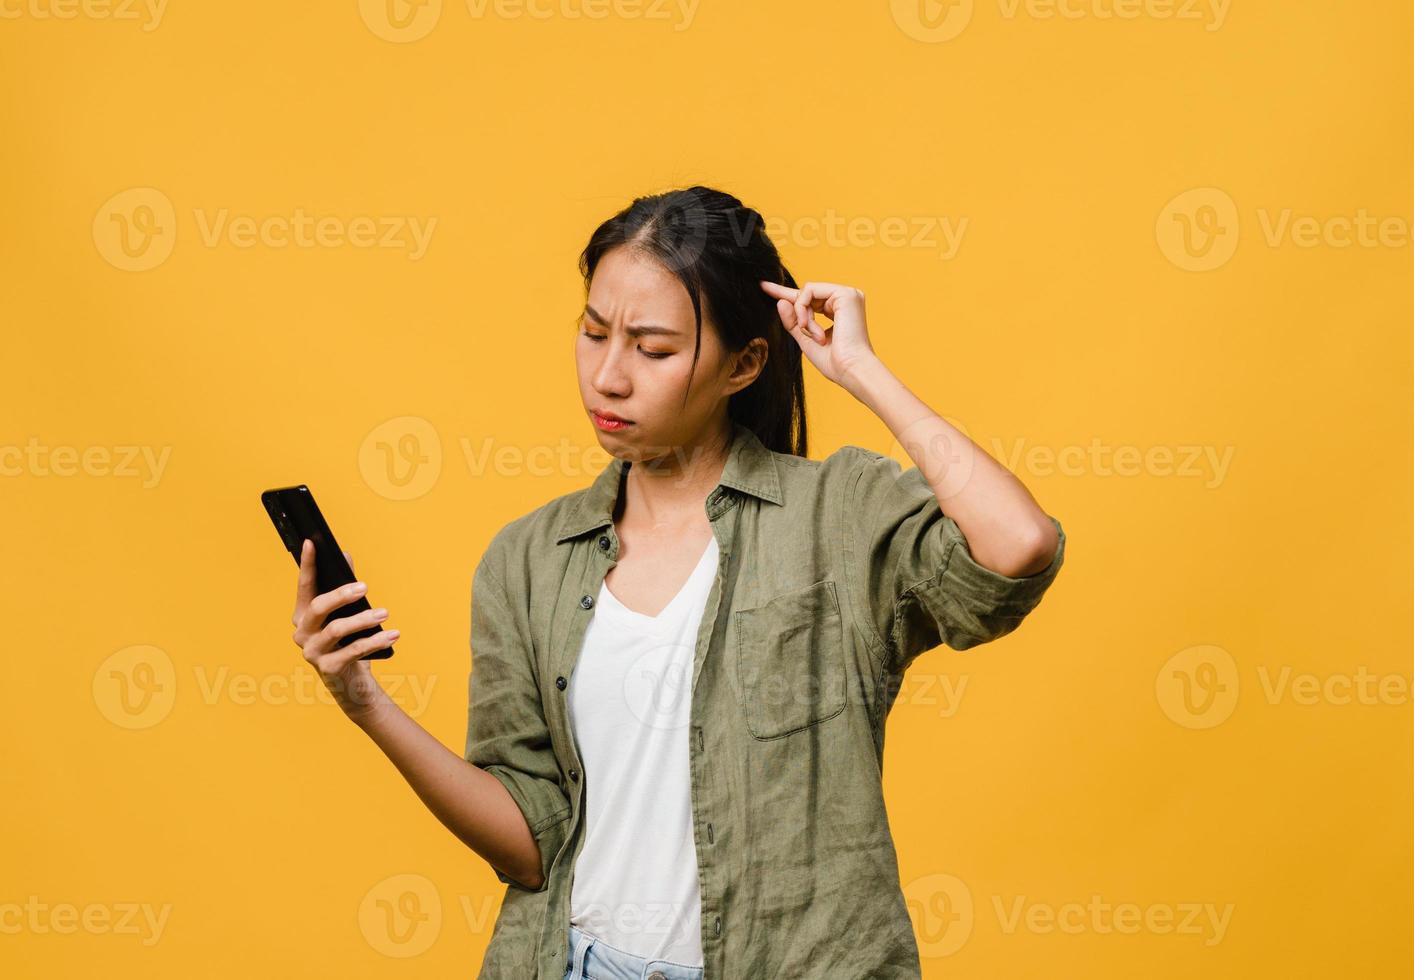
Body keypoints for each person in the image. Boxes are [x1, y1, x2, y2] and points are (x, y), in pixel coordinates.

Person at [288, 186, 1067, 980]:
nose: (609, 377)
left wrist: (861, 370)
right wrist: (364, 702)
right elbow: (531, 848)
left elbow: (1017, 545)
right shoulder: (527, 558)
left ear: (745, 362)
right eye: (594, 335)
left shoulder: (836, 514)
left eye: (653, 350)